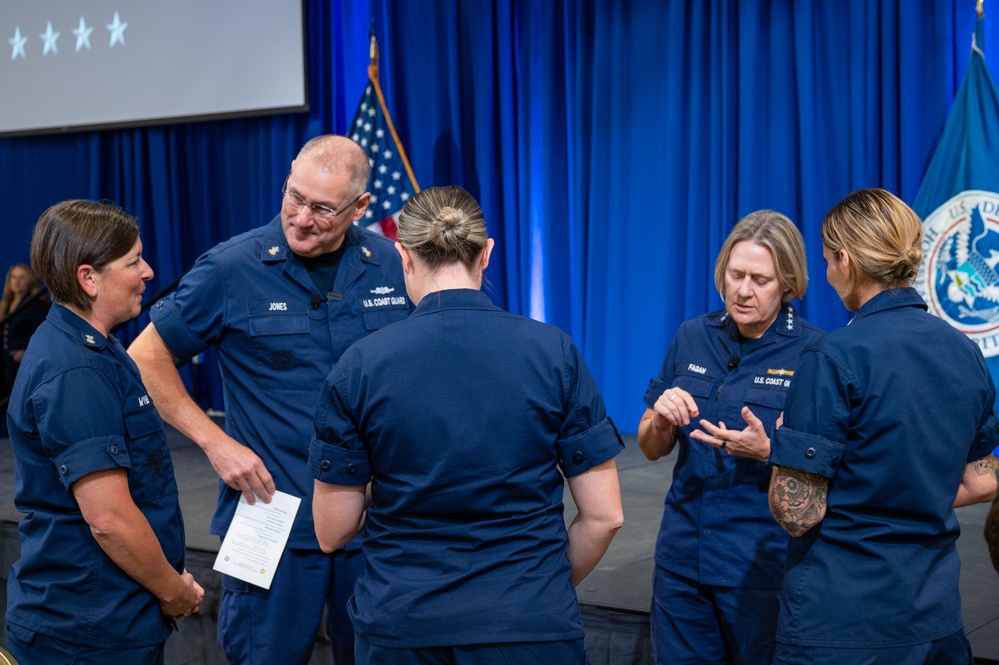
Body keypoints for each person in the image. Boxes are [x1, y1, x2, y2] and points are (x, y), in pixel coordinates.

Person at [309, 185, 625, 664]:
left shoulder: (360, 366)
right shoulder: (553, 353)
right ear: (487, 253)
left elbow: (332, 531)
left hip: (404, 627)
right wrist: (537, 591)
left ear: (403, 256)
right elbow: (605, 517)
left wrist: (388, 479)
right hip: (530, 624)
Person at [128, 135, 411, 665]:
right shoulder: (230, 269)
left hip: (376, 521)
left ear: (361, 207)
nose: (302, 218)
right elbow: (145, 359)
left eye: (323, 208)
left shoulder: (392, 267)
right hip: (271, 519)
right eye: (294, 197)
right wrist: (215, 443)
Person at [768, 188, 998, 664]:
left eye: (828, 260)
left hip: (843, 625)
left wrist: (780, 444)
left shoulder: (833, 356)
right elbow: (982, 480)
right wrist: (908, 490)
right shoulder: (964, 352)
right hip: (935, 620)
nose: (828, 274)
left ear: (846, 261)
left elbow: (797, 514)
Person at [5, 200, 203, 664]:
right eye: (134, 261)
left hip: (110, 612)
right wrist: (173, 589)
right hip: (87, 630)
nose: (149, 271)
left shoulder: (96, 349)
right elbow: (109, 520)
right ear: (89, 278)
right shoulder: (75, 370)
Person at [637, 210, 824, 665]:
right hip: (682, 561)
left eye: (759, 279)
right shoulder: (692, 335)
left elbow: (829, 469)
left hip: (762, 568)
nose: (743, 290)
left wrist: (770, 451)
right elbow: (649, 445)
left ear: (788, 283)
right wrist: (660, 420)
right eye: (735, 275)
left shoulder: (814, 353)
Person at [0, 263, 50, 398]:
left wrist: (27, 353)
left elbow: (44, 334)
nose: (16, 281)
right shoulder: (5, 305)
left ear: (29, 280)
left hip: (21, 367)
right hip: (5, 366)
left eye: (21, 277)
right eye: (14, 277)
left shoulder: (35, 304)